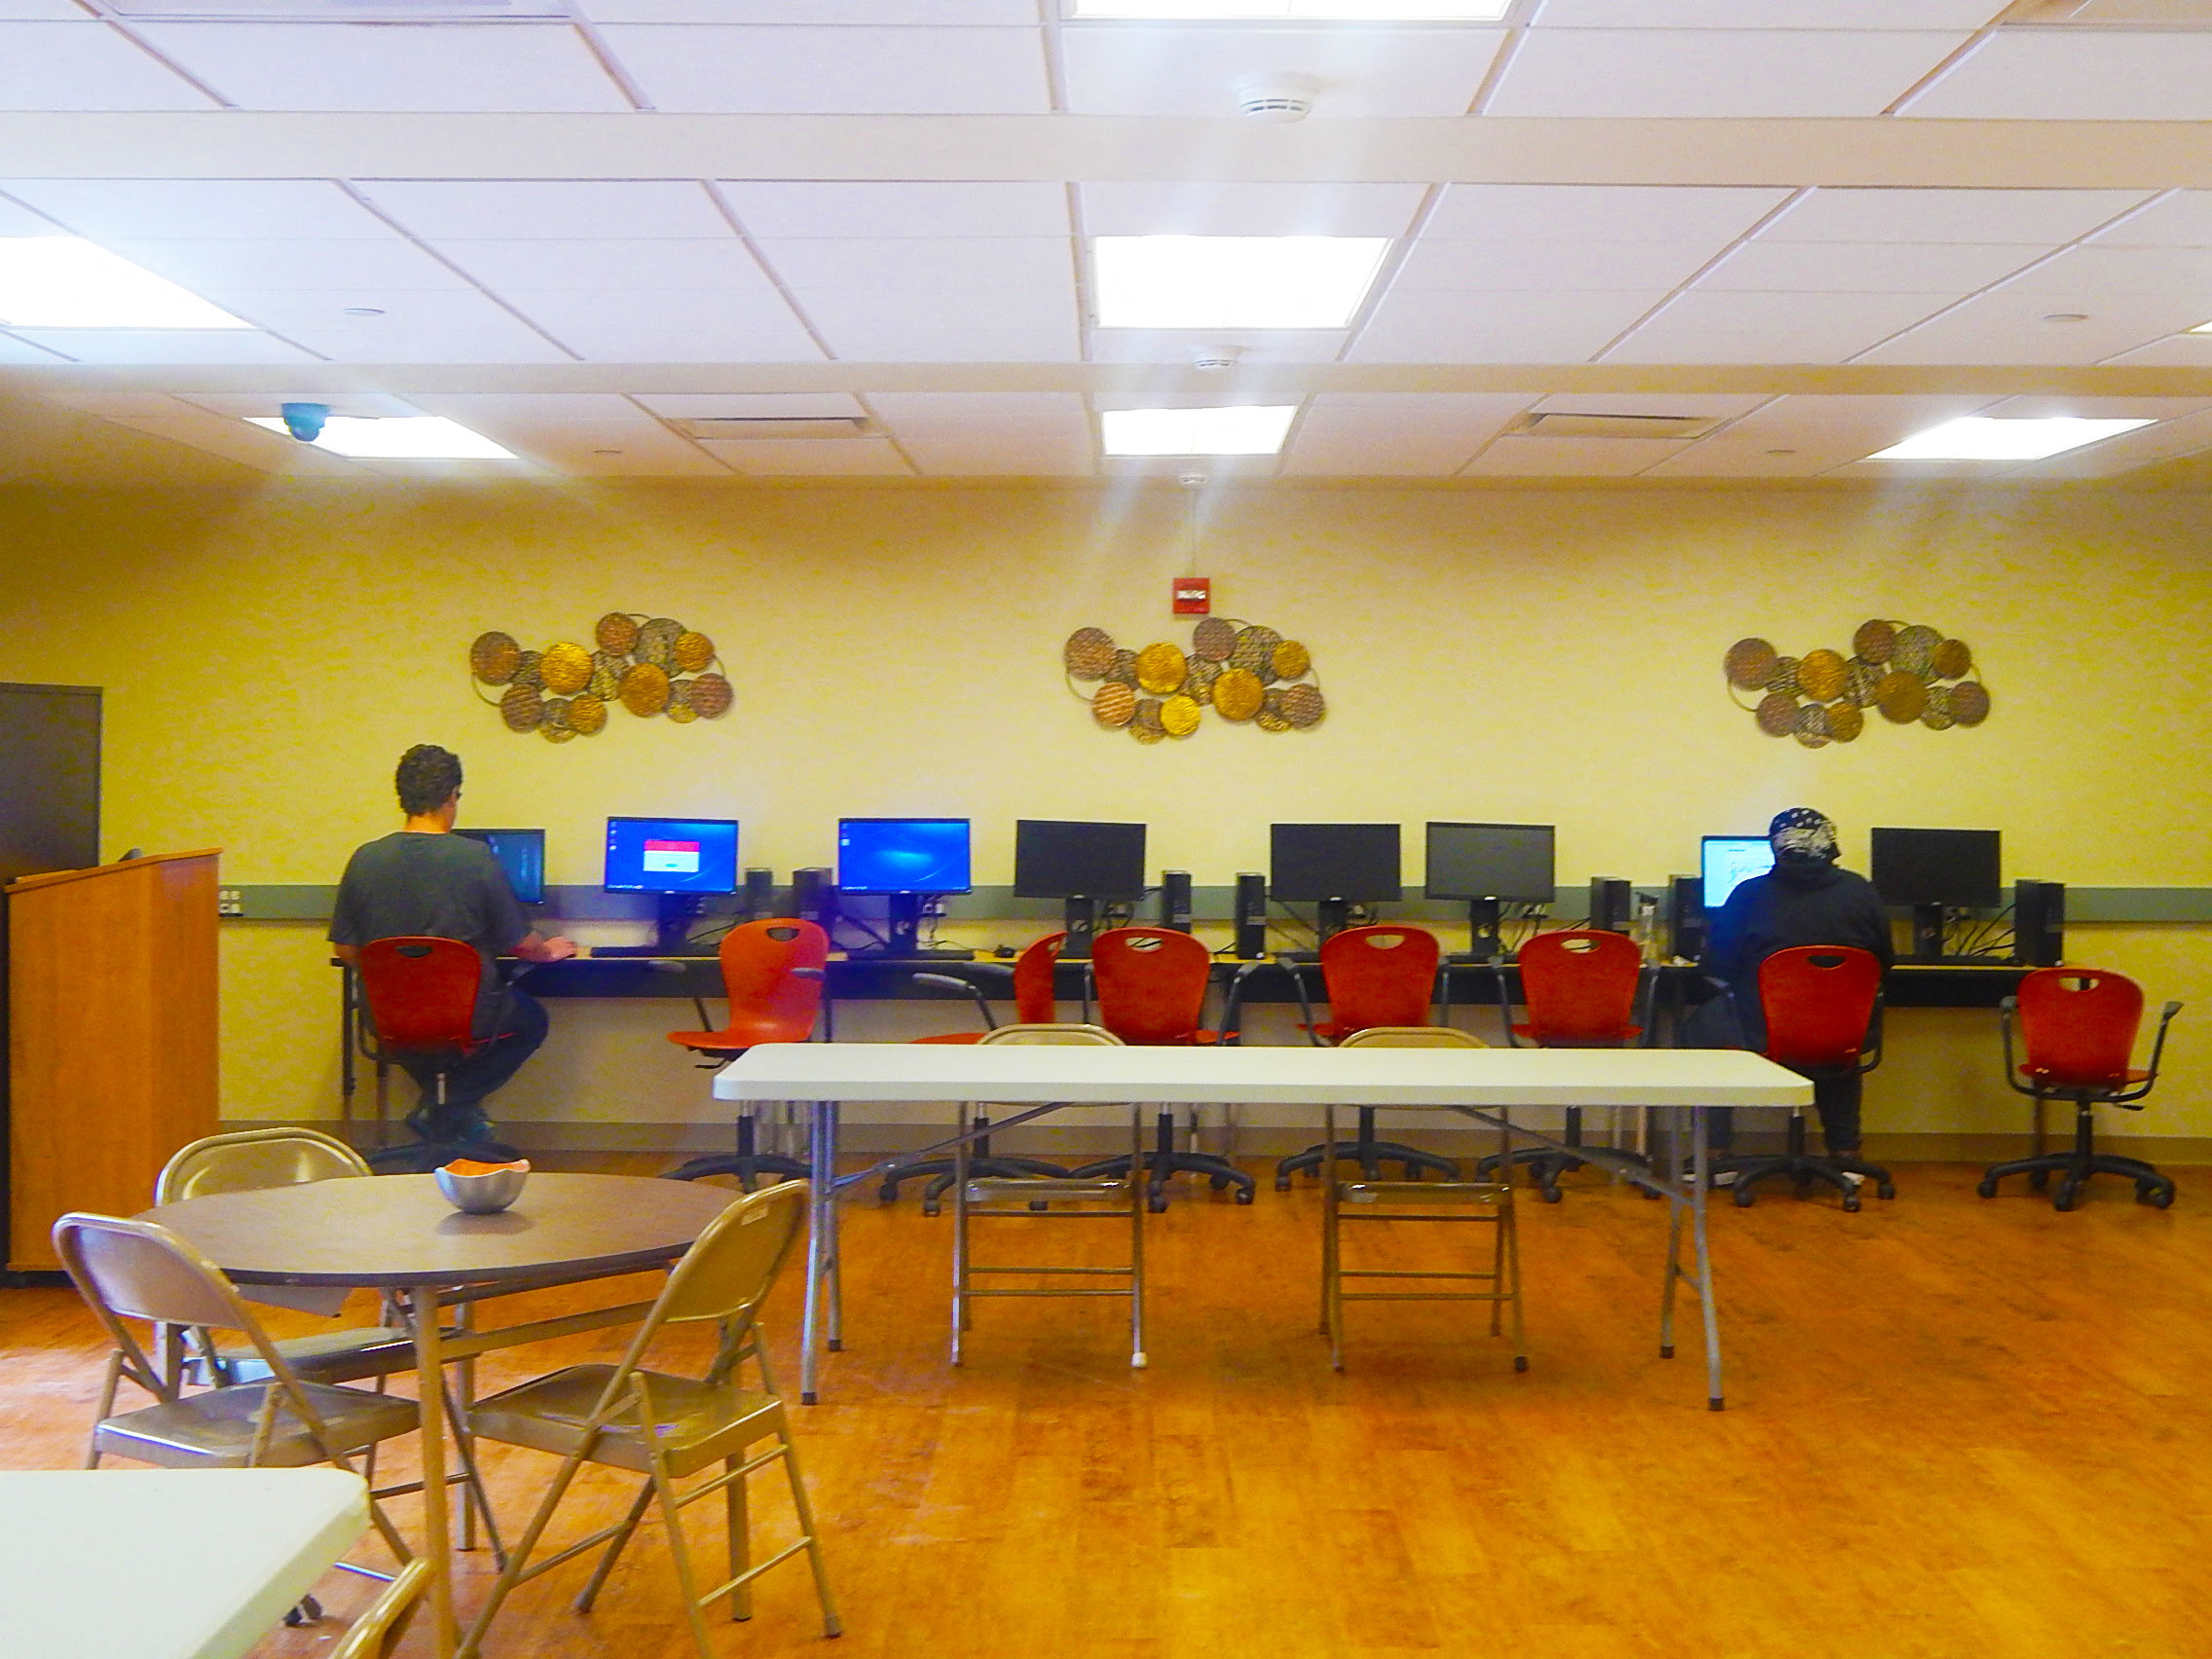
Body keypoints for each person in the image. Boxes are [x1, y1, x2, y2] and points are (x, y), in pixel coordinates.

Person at [329, 744, 574, 1150]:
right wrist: (549, 950)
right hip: (468, 1015)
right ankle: (446, 1106)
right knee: (532, 1021)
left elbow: (346, 950)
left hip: (389, 1018)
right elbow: (520, 943)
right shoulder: (475, 858)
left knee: (421, 1039)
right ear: (451, 796)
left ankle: (446, 1112)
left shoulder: (365, 859)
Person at [1686, 807, 1893, 1165]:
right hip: (1844, 1030)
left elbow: (1717, 964)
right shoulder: (1861, 891)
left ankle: (1714, 1154)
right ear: (1831, 844)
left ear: (1776, 847)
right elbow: (1883, 961)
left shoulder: (1748, 894)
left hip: (1764, 1029)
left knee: (1699, 1029)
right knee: (1836, 1045)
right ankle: (1846, 1152)